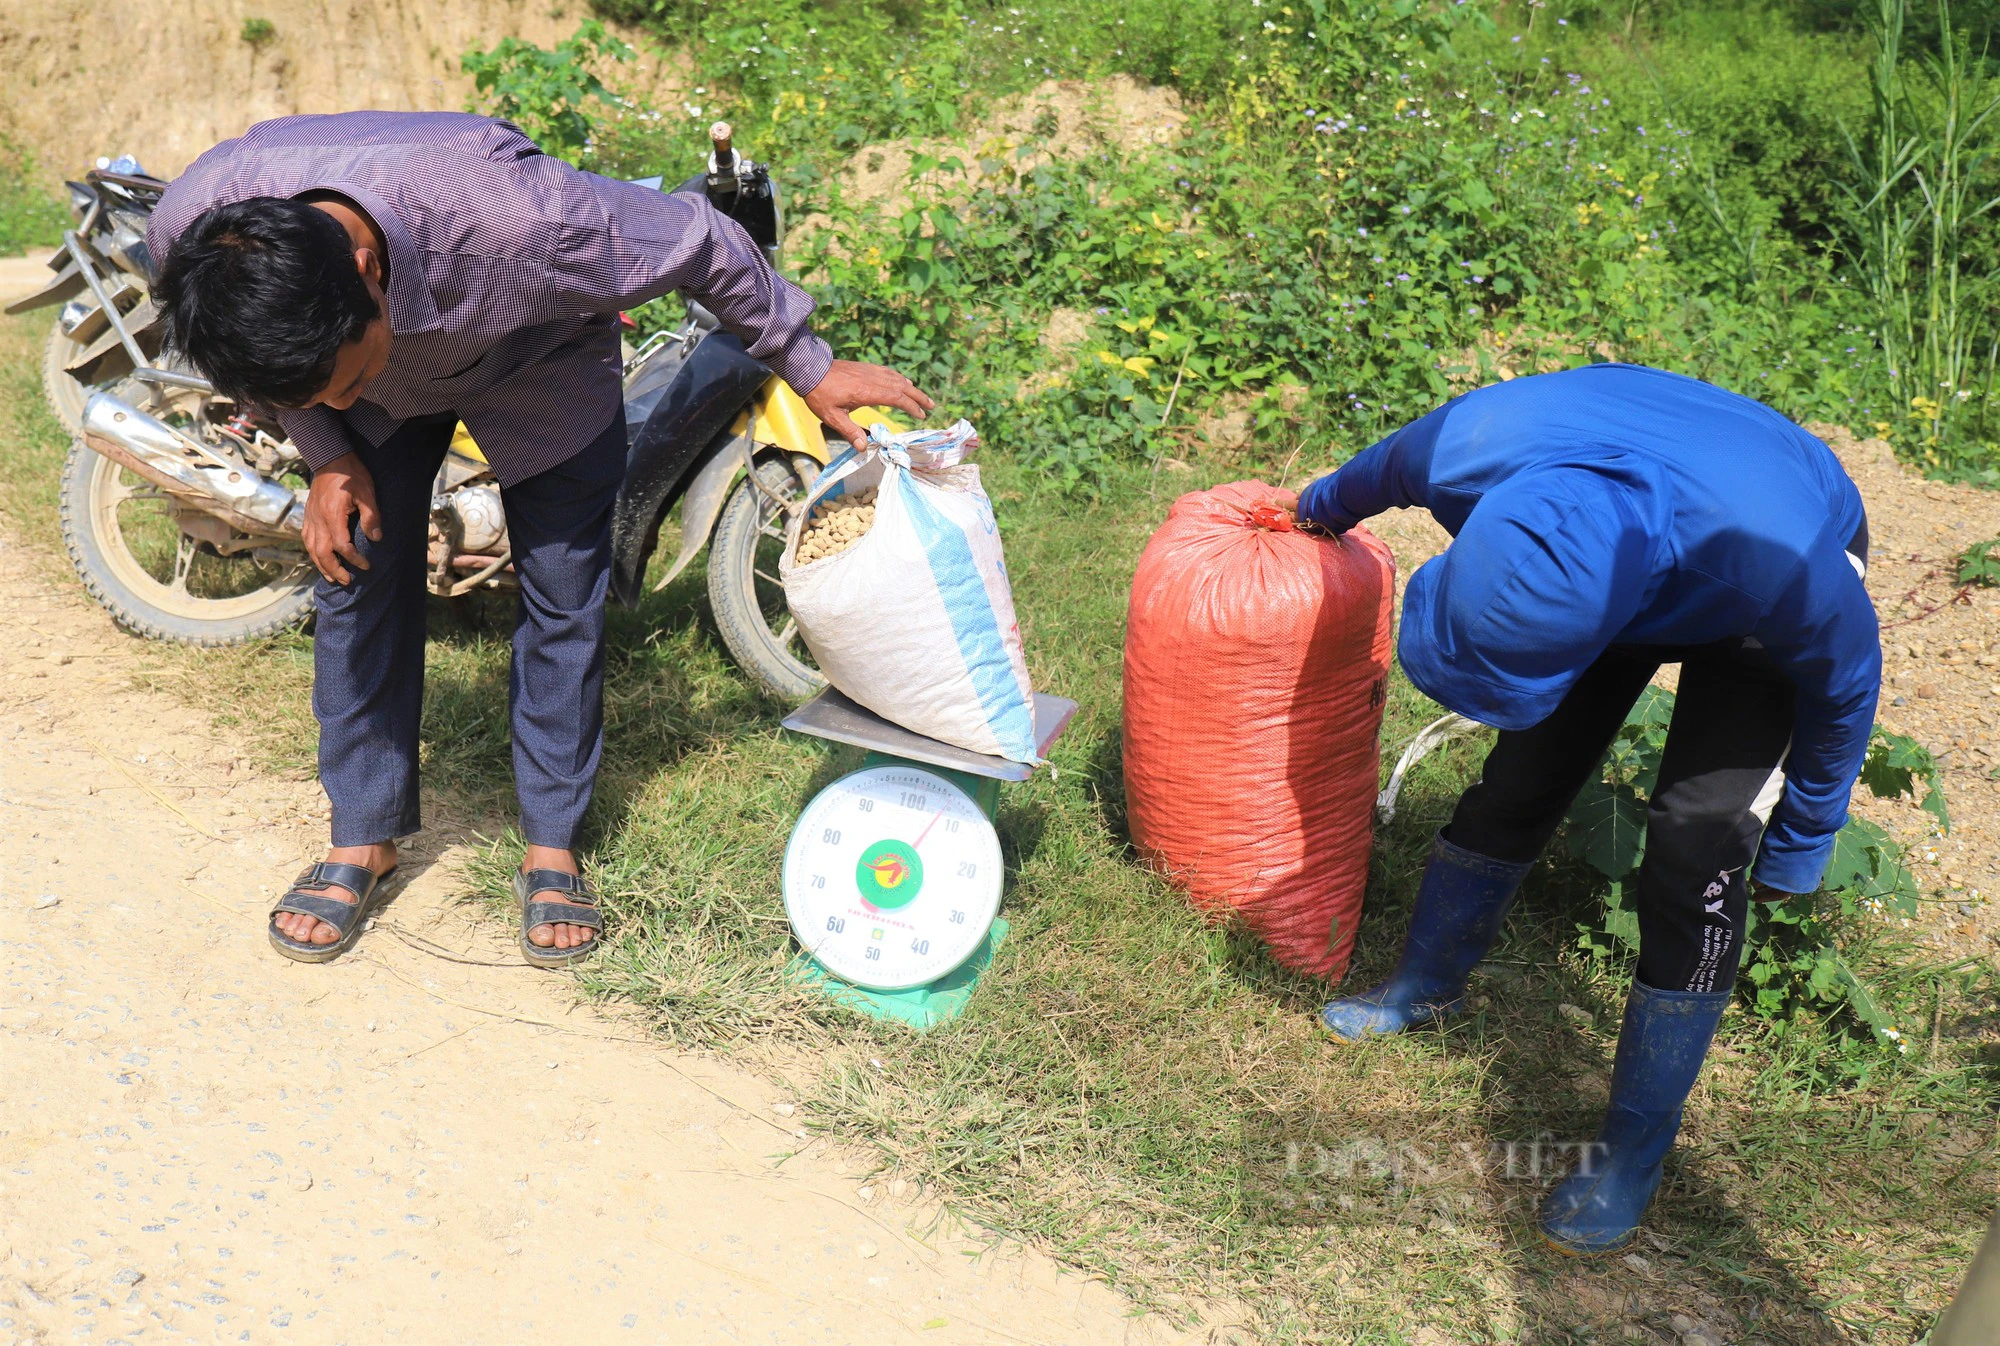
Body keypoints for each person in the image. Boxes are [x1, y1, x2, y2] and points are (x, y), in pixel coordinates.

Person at [149, 111, 933, 968]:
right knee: (356, 573)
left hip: (537, 360)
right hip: (377, 381)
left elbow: (702, 236)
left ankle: (551, 844)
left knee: (564, 589)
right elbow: (304, 380)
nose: (328, 402)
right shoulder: (199, 240)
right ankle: (361, 835)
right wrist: (331, 449)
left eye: (340, 380)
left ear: (367, 272)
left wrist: (807, 362)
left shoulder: (525, 219)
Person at [1296, 363, 1880, 1255]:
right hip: (1623, 539)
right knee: (1523, 776)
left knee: (1696, 851)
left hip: (1743, 584)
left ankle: (1633, 1150)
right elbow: (1358, 481)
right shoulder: (1464, 448)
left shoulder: (1785, 570)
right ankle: (1425, 983)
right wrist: (1311, 512)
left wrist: (1805, 835)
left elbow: (1846, 685)